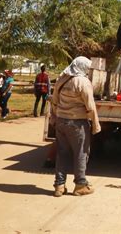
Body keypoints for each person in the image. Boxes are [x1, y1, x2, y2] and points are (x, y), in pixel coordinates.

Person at [51, 56, 101, 197]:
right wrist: (96, 125)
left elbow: (54, 101)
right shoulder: (83, 82)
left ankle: (59, 186)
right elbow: (90, 106)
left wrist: (55, 117)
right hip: (77, 123)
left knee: (62, 153)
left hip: (61, 121)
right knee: (81, 153)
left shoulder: (62, 79)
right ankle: (80, 185)